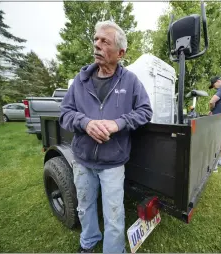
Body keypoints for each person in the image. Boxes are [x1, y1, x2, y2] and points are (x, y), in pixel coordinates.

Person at [59, 20, 153, 253]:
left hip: (112, 163)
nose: (97, 45)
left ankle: (113, 250)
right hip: (82, 159)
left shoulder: (130, 81)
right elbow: (65, 113)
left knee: (113, 212)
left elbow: (145, 111)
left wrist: (118, 123)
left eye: (104, 41)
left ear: (120, 52)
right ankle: (88, 242)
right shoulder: (80, 81)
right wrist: (85, 123)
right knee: (85, 205)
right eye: (96, 39)